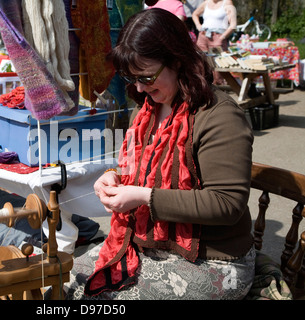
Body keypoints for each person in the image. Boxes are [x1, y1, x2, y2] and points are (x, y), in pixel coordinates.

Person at [64, 8, 255, 300]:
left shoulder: (220, 116)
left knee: (100, 299)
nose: (139, 87)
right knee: (66, 283)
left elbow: (227, 203)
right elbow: (135, 166)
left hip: (214, 260)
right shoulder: (148, 109)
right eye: (132, 78)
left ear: (177, 60)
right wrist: (113, 177)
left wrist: (144, 197)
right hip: (149, 244)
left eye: (146, 76)